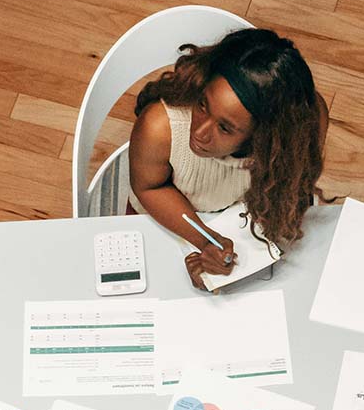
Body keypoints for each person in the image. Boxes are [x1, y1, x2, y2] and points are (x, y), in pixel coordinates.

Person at [128, 27, 329, 290]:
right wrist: (205, 239)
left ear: (266, 137)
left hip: (249, 219)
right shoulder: (159, 126)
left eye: (224, 128)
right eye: (202, 104)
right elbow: (149, 186)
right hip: (167, 217)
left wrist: (233, 247)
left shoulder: (306, 126)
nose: (199, 132)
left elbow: (291, 191)